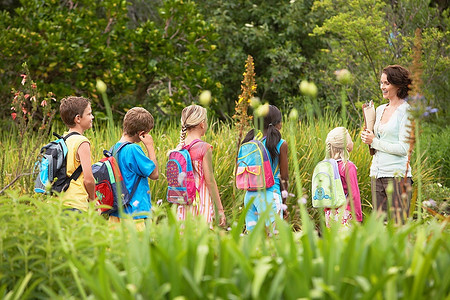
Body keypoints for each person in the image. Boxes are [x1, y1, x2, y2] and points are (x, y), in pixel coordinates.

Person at [361, 65, 413, 223]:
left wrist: (374, 142)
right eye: (381, 83)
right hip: (376, 173)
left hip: (397, 177)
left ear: (398, 85)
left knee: (399, 227)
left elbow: (403, 149)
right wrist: (368, 136)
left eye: (386, 83)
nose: (382, 87)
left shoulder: (407, 111)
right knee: (379, 229)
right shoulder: (380, 109)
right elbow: (377, 140)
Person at [175, 104, 226, 227]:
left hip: (183, 201)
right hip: (200, 200)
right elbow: (210, 181)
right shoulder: (204, 147)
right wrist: (220, 209)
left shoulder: (179, 148)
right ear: (202, 124)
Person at [108, 107, 159, 230]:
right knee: (139, 248)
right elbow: (154, 174)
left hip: (116, 212)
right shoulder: (133, 149)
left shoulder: (114, 148)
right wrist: (150, 146)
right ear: (142, 134)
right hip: (135, 214)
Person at [241, 105, 289, 232]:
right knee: (273, 243)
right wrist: (283, 204)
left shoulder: (250, 141)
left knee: (253, 242)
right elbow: (284, 177)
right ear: (277, 124)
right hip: (270, 195)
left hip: (249, 196)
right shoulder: (280, 143)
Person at [59, 96, 96, 212]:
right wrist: (93, 199)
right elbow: (89, 179)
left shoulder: (63, 140)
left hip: (59, 201)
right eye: (89, 114)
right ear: (78, 118)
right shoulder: (82, 142)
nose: (92, 117)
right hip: (76, 203)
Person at [324, 127, 363, 227]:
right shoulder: (348, 167)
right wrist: (358, 217)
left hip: (329, 213)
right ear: (346, 145)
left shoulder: (326, 166)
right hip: (346, 213)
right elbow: (354, 194)